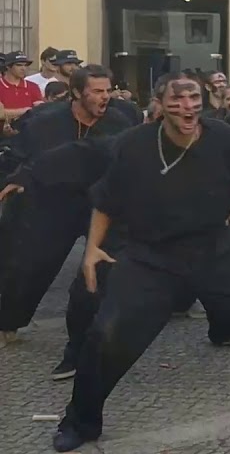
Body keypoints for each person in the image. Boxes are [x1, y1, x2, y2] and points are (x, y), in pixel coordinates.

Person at [52, 72, 230, 452]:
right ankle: (81, 421)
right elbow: (106, 199)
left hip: (215, 246)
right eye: (178, 100)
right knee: (109, 333)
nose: (187, 107)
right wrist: (91, 250)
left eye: (194, 99)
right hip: (151, 256)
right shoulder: (133, 145)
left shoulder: (220, 137)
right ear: (159, 104)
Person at [0, 65, 134, 349]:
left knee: (108, 262)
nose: (105, 97)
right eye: (97, 91)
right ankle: (7, 323)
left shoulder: (120, 123)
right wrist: (16, 179)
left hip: (98, 204)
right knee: (30, 266)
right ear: (76, 92)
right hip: (53, 202)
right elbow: (19, 156)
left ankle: (95, 328)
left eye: (108, 90)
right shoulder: (44, 122)